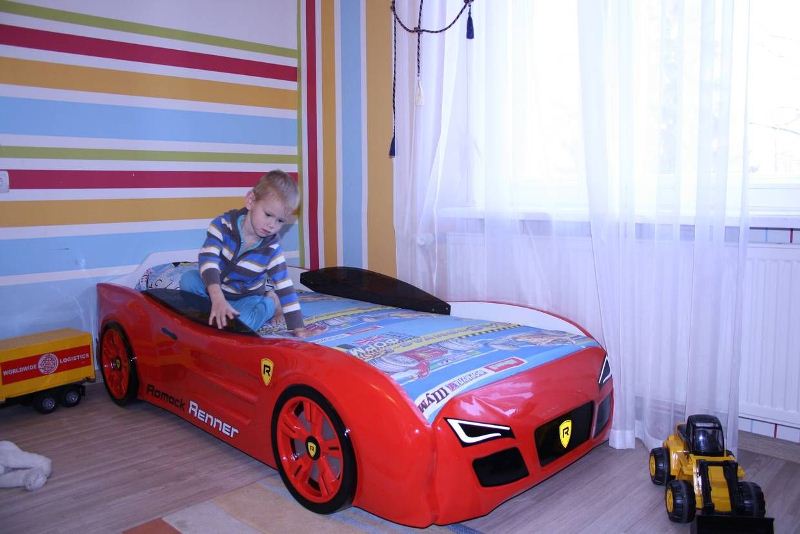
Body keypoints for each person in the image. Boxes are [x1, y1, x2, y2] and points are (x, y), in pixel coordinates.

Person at [180, 170, 309, 337]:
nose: (272, 225)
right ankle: (217, 309)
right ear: (251, 201)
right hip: (214, 291)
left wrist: (299, 328)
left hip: (246, 298)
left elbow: (285, 287)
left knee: (243, 323)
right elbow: (208, 259)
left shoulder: (272, 250)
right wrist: (217, 297)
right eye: (268, 215)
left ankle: (271, 302)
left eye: (280, 221)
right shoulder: (222, 225)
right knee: (188, 280)